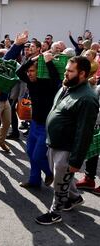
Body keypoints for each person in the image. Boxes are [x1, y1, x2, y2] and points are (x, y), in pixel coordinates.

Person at [35, 56, 99, 225]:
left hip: (66, 147)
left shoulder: (87, 98)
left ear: (83, 74)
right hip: (55, 142)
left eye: (70, 71)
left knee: (59, 181)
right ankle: (74, 198)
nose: (66, 74)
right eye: (66, 70)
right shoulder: (68, 86)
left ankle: (55, 213)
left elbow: (84, 133)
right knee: (61, 176)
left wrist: (76, 160)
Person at [16, 51, 60, 188]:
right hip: (34, 123)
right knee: (30, 152)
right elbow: (19, 72)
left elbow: (56, 78)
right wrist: (33, 59)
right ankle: (34, 181)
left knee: (37, 156)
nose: (29, 73)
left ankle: (48, 172)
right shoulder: (30, 82)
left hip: (46, 126)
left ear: (40, 72)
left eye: (32, 71)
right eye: (28, 71)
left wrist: (48, 62)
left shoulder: (48, 83)